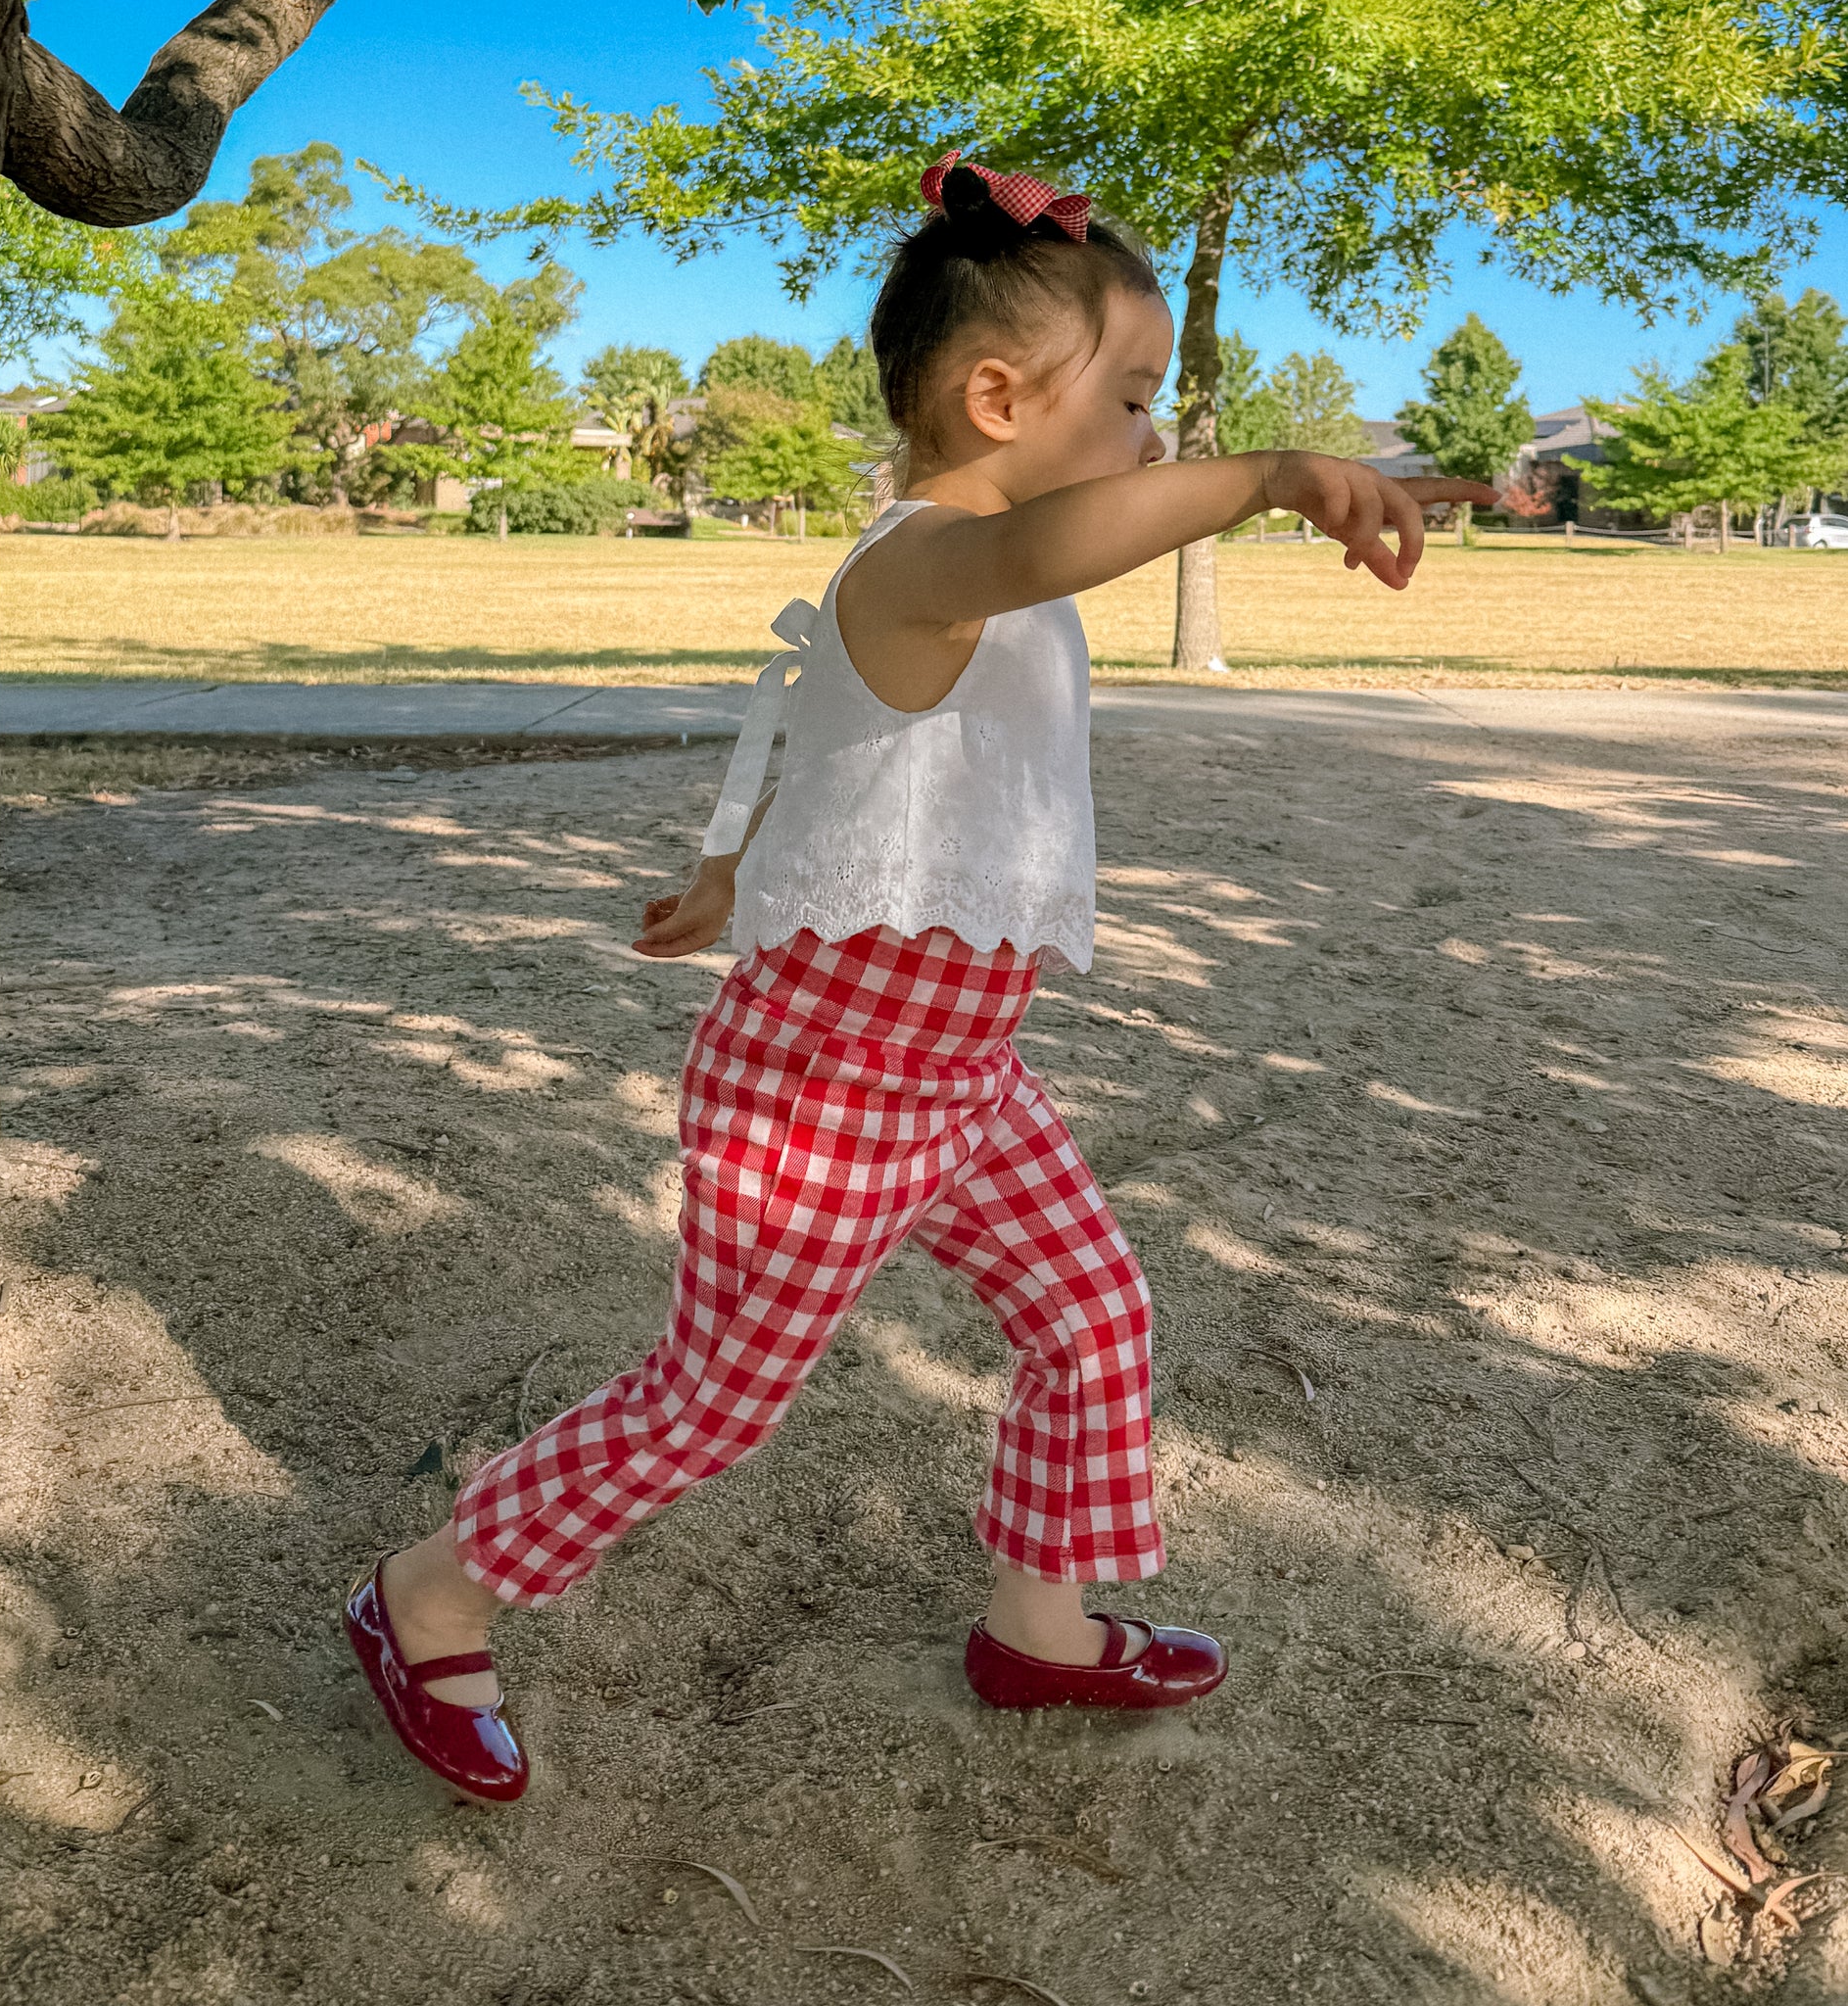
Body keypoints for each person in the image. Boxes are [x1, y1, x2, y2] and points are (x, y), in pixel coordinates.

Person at [345, 153, 1497, 1801]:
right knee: (711, 1405)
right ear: (996, 398)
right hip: (827, 1084)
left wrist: (730, 874)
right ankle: (428, 1595)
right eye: (1133, 400)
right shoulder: (929, 562)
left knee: (1090, 1317)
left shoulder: (975, 581)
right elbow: (1049, 554)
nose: (1154, 438)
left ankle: (1040, 1626)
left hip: (960, 1075)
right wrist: (1270, 476)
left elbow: (836, 752)